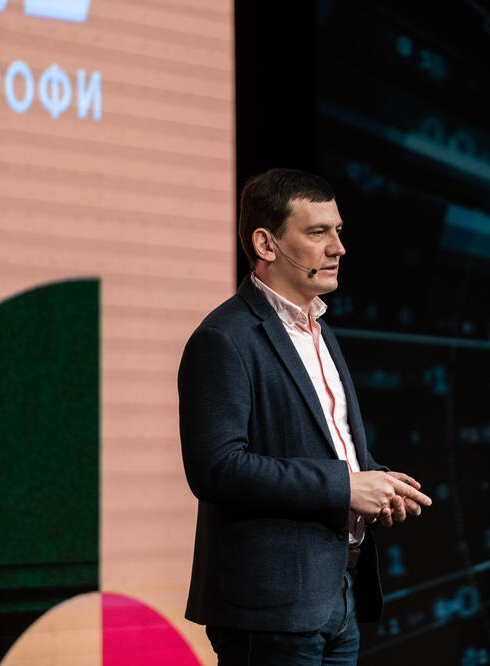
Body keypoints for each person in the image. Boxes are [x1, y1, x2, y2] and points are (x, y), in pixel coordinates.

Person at [178, 168, 432, 665]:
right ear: (266, 244)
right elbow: (216, 468)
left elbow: (321, 445)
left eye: (338, 231)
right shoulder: (224, 339)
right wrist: (345, 487)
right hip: (269, 611)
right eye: (318, 233)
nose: (338, 248)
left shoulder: (320, 331)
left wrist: (377, 481)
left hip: (337, 597)